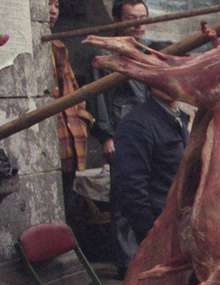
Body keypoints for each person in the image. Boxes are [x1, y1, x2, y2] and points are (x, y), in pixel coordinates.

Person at [111, 88, 189, 267]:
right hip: (159, 228)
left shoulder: (179, 118)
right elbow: (131, 187)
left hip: (180, 225)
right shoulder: (136, 125)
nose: (171, 84)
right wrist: (151, 233)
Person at [91, 0, 152, 164]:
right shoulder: (104, 54)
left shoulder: (150, 51)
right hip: (122, 126)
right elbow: (97, 97)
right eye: (132, 19)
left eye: (143, 18)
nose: (139, 25)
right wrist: (106, 137)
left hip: (151, 126)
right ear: (117, 21)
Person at [49, 0, 94, 220]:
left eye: (56, 5)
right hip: (51, 143)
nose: (52, 11)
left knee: (67, 204)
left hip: (70, 139)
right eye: (47, 4)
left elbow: (73, 91)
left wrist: (81, 119)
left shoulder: (58, 47)